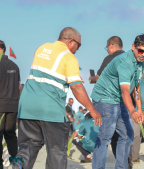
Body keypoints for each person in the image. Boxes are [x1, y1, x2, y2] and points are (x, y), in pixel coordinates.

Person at [9, 27, 102, 169]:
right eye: (79, 45)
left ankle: (18, 164)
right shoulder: (69, 58)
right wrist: (93, 110)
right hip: (50, 110)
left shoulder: (42, 48)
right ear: (71, 41)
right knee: (56, 151)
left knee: (27, 146)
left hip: (27, 106)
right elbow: (76, 87)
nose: (78, 48)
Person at [91, 34, 144, 169]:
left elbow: (136, 87)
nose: (143, 54)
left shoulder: (141, 63)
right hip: (105, 97)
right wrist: (132, 111)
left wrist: (139, 109)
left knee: (127, 134)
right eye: (140, 50)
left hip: (118, 98)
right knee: (106, 135)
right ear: (133, 47)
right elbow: (125, 91)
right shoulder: (125, 63)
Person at [0, 40, 20, 169]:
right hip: (13, 105)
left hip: (1, 105)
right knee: (11, 134)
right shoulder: (15, 66)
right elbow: (18, 87)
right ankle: (16, 162)